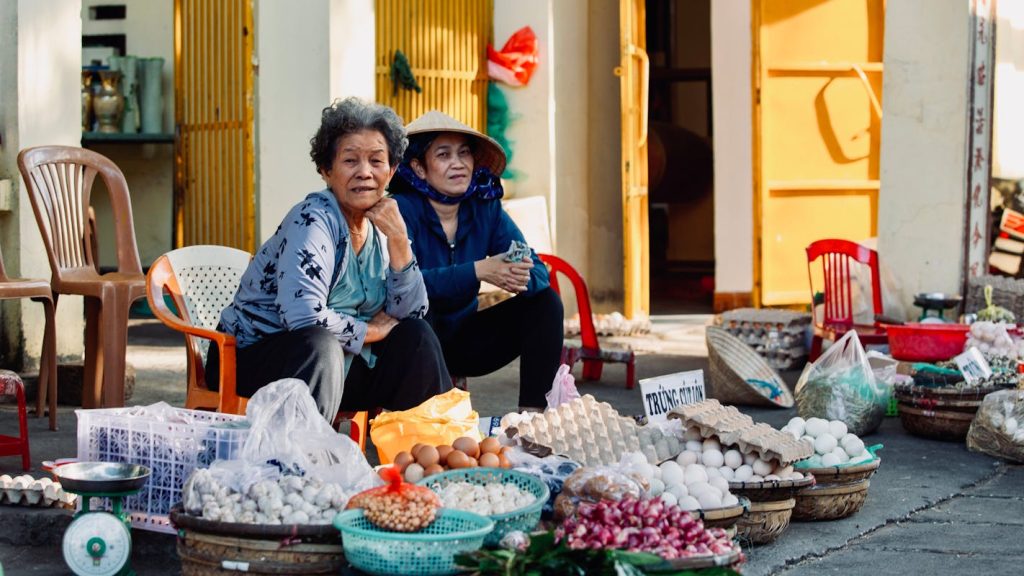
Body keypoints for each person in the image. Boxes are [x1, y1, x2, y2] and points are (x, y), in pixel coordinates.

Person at [209, 98, 451, 424]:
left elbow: (411, 313)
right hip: (253, 361)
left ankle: (432, 452)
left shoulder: (385, 223)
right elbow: (303, 318)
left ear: (392, 171)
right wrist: (371, 331)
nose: (364, 172)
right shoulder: (313, 220)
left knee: (417, 336)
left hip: (340, 366)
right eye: (350, 160)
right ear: (327, 171)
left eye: (377, 161)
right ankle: (305, 462)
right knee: (321, 344)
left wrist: (399, 242)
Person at [390, 111, 563, 411]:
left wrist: (517, 274)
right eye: (444, 154)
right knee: (417, 321)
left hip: (465, 339)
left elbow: (536, 270)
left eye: (464, 153)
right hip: (411, 341)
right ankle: (432, 420)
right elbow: (407, 286)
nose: (458, 163)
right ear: (419, 168)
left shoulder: (485, 209)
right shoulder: (401, 211)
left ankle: (533, 419)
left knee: (546, 304)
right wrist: (479, 270)